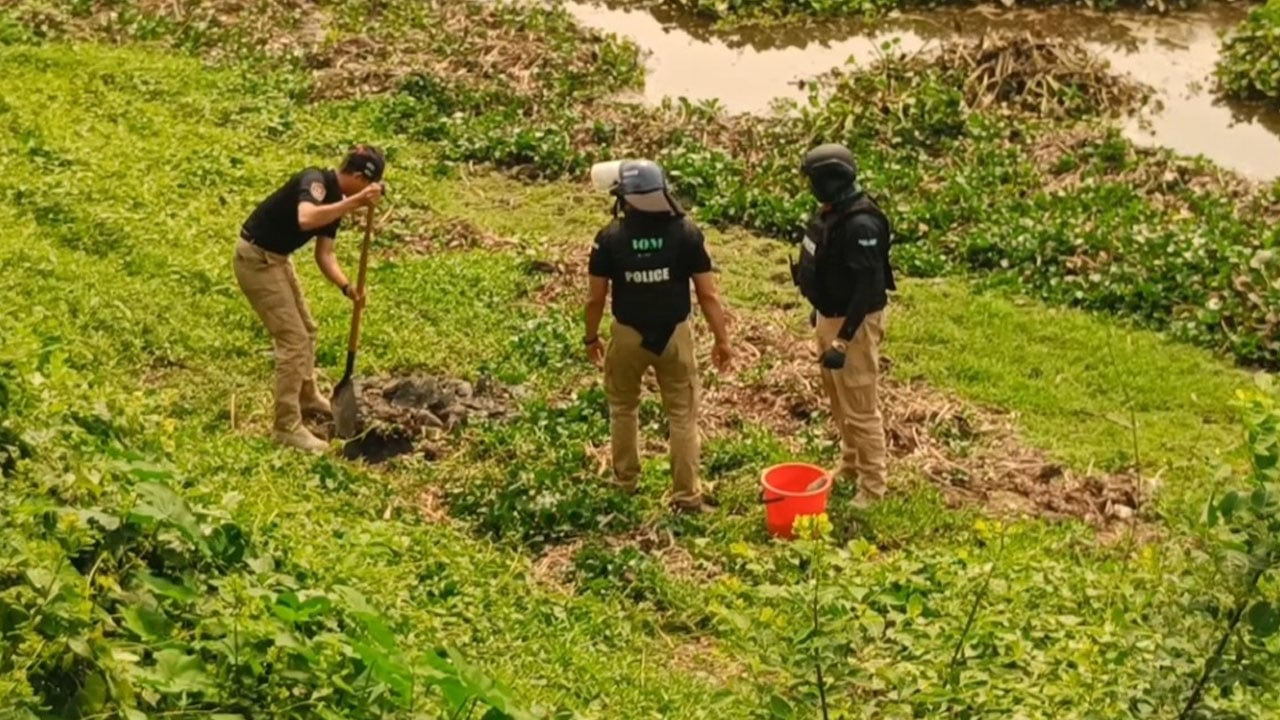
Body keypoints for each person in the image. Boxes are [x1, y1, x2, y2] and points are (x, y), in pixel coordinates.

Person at [584, 159, 734, 515]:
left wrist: (591, 338)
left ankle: (625, 482)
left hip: (627, 335)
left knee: (623, 408)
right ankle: (686, 496)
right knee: (682, 416)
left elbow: (595, 298)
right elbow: (708, 295)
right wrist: (722, 340)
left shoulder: (609, 238)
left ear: (624, 197)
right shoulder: (686, 233)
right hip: (674, 337)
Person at [233, 144, 386, 453]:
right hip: (256, 259)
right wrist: (354, 202)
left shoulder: (337, 201)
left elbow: (325, 254)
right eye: (368, 185)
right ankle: (286, 426)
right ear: (358, 177)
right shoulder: (315, 181)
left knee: (308, 330)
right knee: (293, 340)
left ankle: (306, 395)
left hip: (277, 259)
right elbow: (306, 218)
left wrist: (347, 287)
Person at [791, 143, 895, 506]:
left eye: (814, 180)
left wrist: (843, 340)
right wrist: (820, 310)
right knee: (839, 401)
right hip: (830, 315)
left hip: (854, 325)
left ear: (831, 180)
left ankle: (873, 486)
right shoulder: (832, 213)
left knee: (860, 408)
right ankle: (850, 464)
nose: (810, 188)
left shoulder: (862, 224)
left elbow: (867, 287)